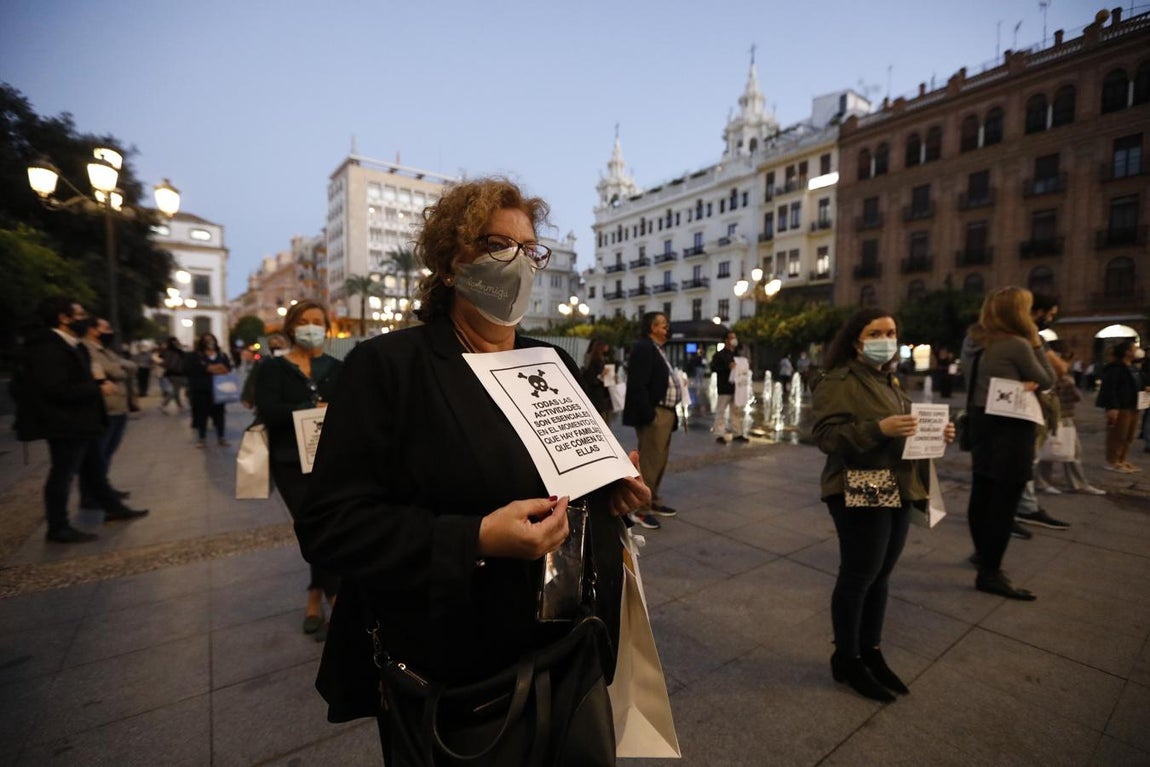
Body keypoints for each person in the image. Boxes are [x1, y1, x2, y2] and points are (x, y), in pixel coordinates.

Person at [295, 177, 648, 761]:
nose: (516, 261)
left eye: (529, 249)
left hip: (568, 648)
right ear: (449, 261)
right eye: (493, 244)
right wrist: (476, 537)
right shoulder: (388, 367)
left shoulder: (552, 361)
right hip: (456, 678)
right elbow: (330, 525)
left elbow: (571, 469)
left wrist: (612, 484)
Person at [812, 308, 954, 702]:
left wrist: (936, 432)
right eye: (876, 332)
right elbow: (826, 437)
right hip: (861, 483)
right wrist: (880, 428)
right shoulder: (837, 380)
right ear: (857, 339)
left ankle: (870, 651)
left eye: (891, 331)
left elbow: (905, 427)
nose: (885, 338)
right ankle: (847, 657)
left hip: (899, 482)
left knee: (881, 575)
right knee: (859, 575)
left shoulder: (888, 379)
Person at [18, 297, 148, 543]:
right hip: (64, 422)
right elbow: (55, 388)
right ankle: (58, 526)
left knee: (94, 467)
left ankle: (112, 506)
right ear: (63, 317)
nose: (84, 319)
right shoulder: (48, 347)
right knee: (63, 473)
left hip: (82, 420)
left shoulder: (70, 344)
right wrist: (96, 388)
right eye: (79, 314)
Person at [253, 302, 342, 641]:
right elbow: (270, 411)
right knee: (313, 527)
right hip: (290, 462)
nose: (311, 327)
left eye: (317, 322)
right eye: (303, 322)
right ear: (291, 328)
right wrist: (311, 409)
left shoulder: (336, 367)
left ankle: (314, 596)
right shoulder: (273, 369)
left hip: (329, 463)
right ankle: (335, 598)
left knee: (326, 528)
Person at [961, 287, 1055, 601]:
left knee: (983, 491)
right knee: (1004, 501)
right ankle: (991, 572)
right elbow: (1047, 378)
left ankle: (981, 554)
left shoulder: (973, 340)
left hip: (980, 420)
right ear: (1018, 313)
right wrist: (1036, 341)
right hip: (1011, 425)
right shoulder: (1016, 343)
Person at [1011, 294, 1070, 532]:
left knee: (1024, 461)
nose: (1051, 318)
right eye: (1050, 313)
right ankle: (1023, 508)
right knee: (1023, 461)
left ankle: (1023, 506)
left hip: (1031, 405)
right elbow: (1054, 372)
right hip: (1022, 408)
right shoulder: (1023, 338)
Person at [623, 311, 681, 530]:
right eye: (662, 324)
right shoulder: (644, 348)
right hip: (655, 414)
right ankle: (639, 509)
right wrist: (650, 415)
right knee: (648, 461)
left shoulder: (658, 349)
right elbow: (637, 385)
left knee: (659, 461)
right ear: (651, 328)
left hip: (666, 412)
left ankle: (652, 500)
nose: (667, 327)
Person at [79, 318, 136, 507]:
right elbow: (117, 371)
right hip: (104, 409)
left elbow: (128, 366)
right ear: (93, 330)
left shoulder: (105, 350)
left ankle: (103, 488)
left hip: (118, 406)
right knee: (97, 454)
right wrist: (119, 370)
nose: (110, 331)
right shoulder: (86, 349)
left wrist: (118, 369)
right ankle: (91, 494)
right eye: (106, 327)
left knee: (107, 452)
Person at [1036, 343, 1106, 495]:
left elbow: (1076, 397)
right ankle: (1042, 482)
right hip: (1050, 415)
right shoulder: (1047, 373)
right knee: (1048, 449)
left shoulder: (1064, 374)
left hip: (1066, 415)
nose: (1066, 363)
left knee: (1073, 450)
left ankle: (1077, 483)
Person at [1096, 340, 1148, 473]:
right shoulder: (1115, 368)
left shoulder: (1133, 367)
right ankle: (1112, 461)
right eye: (1134, 348)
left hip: (1133, 405)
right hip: (1121, 406)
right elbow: (1110, 388)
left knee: (1128, 435)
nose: (1137, 350)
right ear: (1127, 352)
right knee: (1117, 434)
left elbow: (1138, 383)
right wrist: (1112, 407)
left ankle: (1122, 460)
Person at [185, 332, 232, 447]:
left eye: (211, 339)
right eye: (206, 340)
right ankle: (202, 438)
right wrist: (211, 368)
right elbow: (194, 370)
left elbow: (226, 369)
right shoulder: (196, 356)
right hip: (201, 390)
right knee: (202, 414)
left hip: (219, 390)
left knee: (220, 415)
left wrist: (211, 369)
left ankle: (221, 437)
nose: (209, 342)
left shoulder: (221, 355)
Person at [710, 331, 748, 443]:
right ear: (726, 340)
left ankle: (737, 433)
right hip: (724, 387)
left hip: (737, 388)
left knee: (736, 411)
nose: (734, 340)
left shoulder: (736, 355)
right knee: (721, 411)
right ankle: (719, 434)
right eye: (732, 338)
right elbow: (713, 368)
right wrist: (727, 367)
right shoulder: (719, 355)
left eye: (735, 337)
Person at [241, 331, 288, 409]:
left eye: (278, 344)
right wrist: (247, 397)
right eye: (272, 345)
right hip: (267, 397)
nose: (275, 347)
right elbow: (253, 378)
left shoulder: (289, 359)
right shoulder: (262, 360)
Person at [581, 338, 614, 422]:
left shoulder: (605, 360)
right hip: (598, 399)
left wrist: (612, 377)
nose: (607, 347)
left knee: (607, 421)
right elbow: (591, 380)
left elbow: (609, 380)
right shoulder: (593, 362)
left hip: (605, 399)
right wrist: (602, 377)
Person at [159, 337, 187, 412]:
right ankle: (164, 404)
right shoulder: (173, 352)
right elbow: (169, 363)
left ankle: (179, 405)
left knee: (176, 390)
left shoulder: (170, 351)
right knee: (175, 390)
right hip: (176, 373)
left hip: (174, 373)